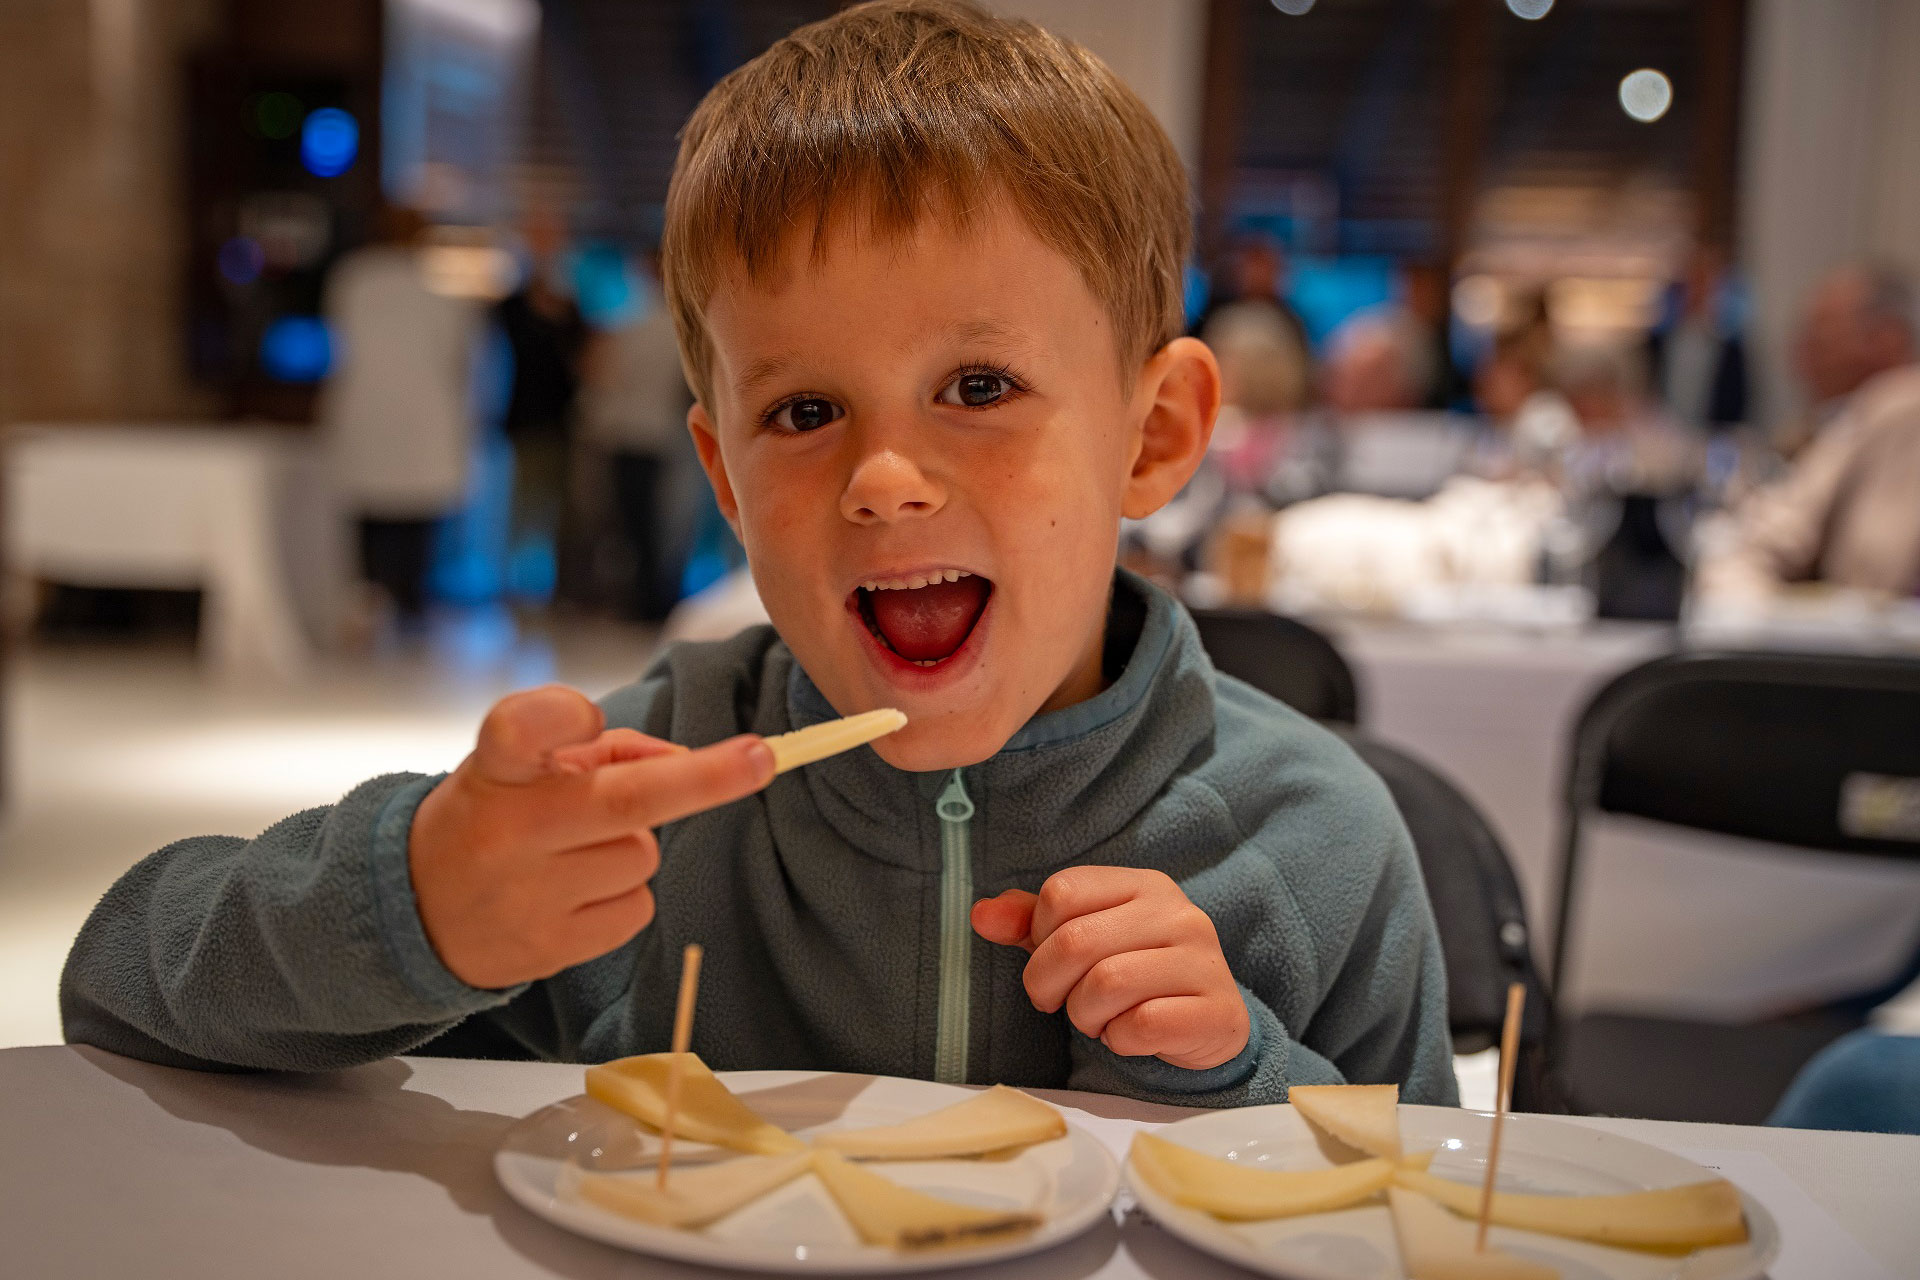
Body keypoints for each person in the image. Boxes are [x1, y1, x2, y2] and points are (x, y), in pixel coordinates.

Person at [61, 0, 1456, 1108]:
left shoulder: (1318, 842)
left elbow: (1422, 1214)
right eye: (802, 413)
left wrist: (1240, 1080)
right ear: (724, 474)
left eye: (977, 387)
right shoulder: (635, 805)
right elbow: (118, 988)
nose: (886, 481)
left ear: (1154, 435)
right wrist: (415, 902)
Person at [1697, 265, 1920, 600]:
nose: (1799, 355)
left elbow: (1781, 542)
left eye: (1820, 335)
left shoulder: (1896, 404)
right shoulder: (1828, 422)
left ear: (1887, 339)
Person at [318, 205, 480, 623]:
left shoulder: (353, 279)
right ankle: (405, 605)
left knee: (375, 521)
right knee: (414, 526)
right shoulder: (438, 292)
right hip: (420, 421)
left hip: (371, 416)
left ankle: (373, 603)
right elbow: (460, 359)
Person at [580, 253, 695, 621]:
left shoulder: (629, 328)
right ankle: (654, 601)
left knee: (634, 526)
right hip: (662, 438)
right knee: (656, 525)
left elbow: (602, 383)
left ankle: (642, 602)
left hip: (629, 437)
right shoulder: (679, 333)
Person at [496, 204, 590, 604]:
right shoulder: (509, 307)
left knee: (566, 512)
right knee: (525, 507)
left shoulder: (570, 306)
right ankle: (518, 587)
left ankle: (559, 591)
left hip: (565, 422)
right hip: (526, 421)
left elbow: (583, 364)